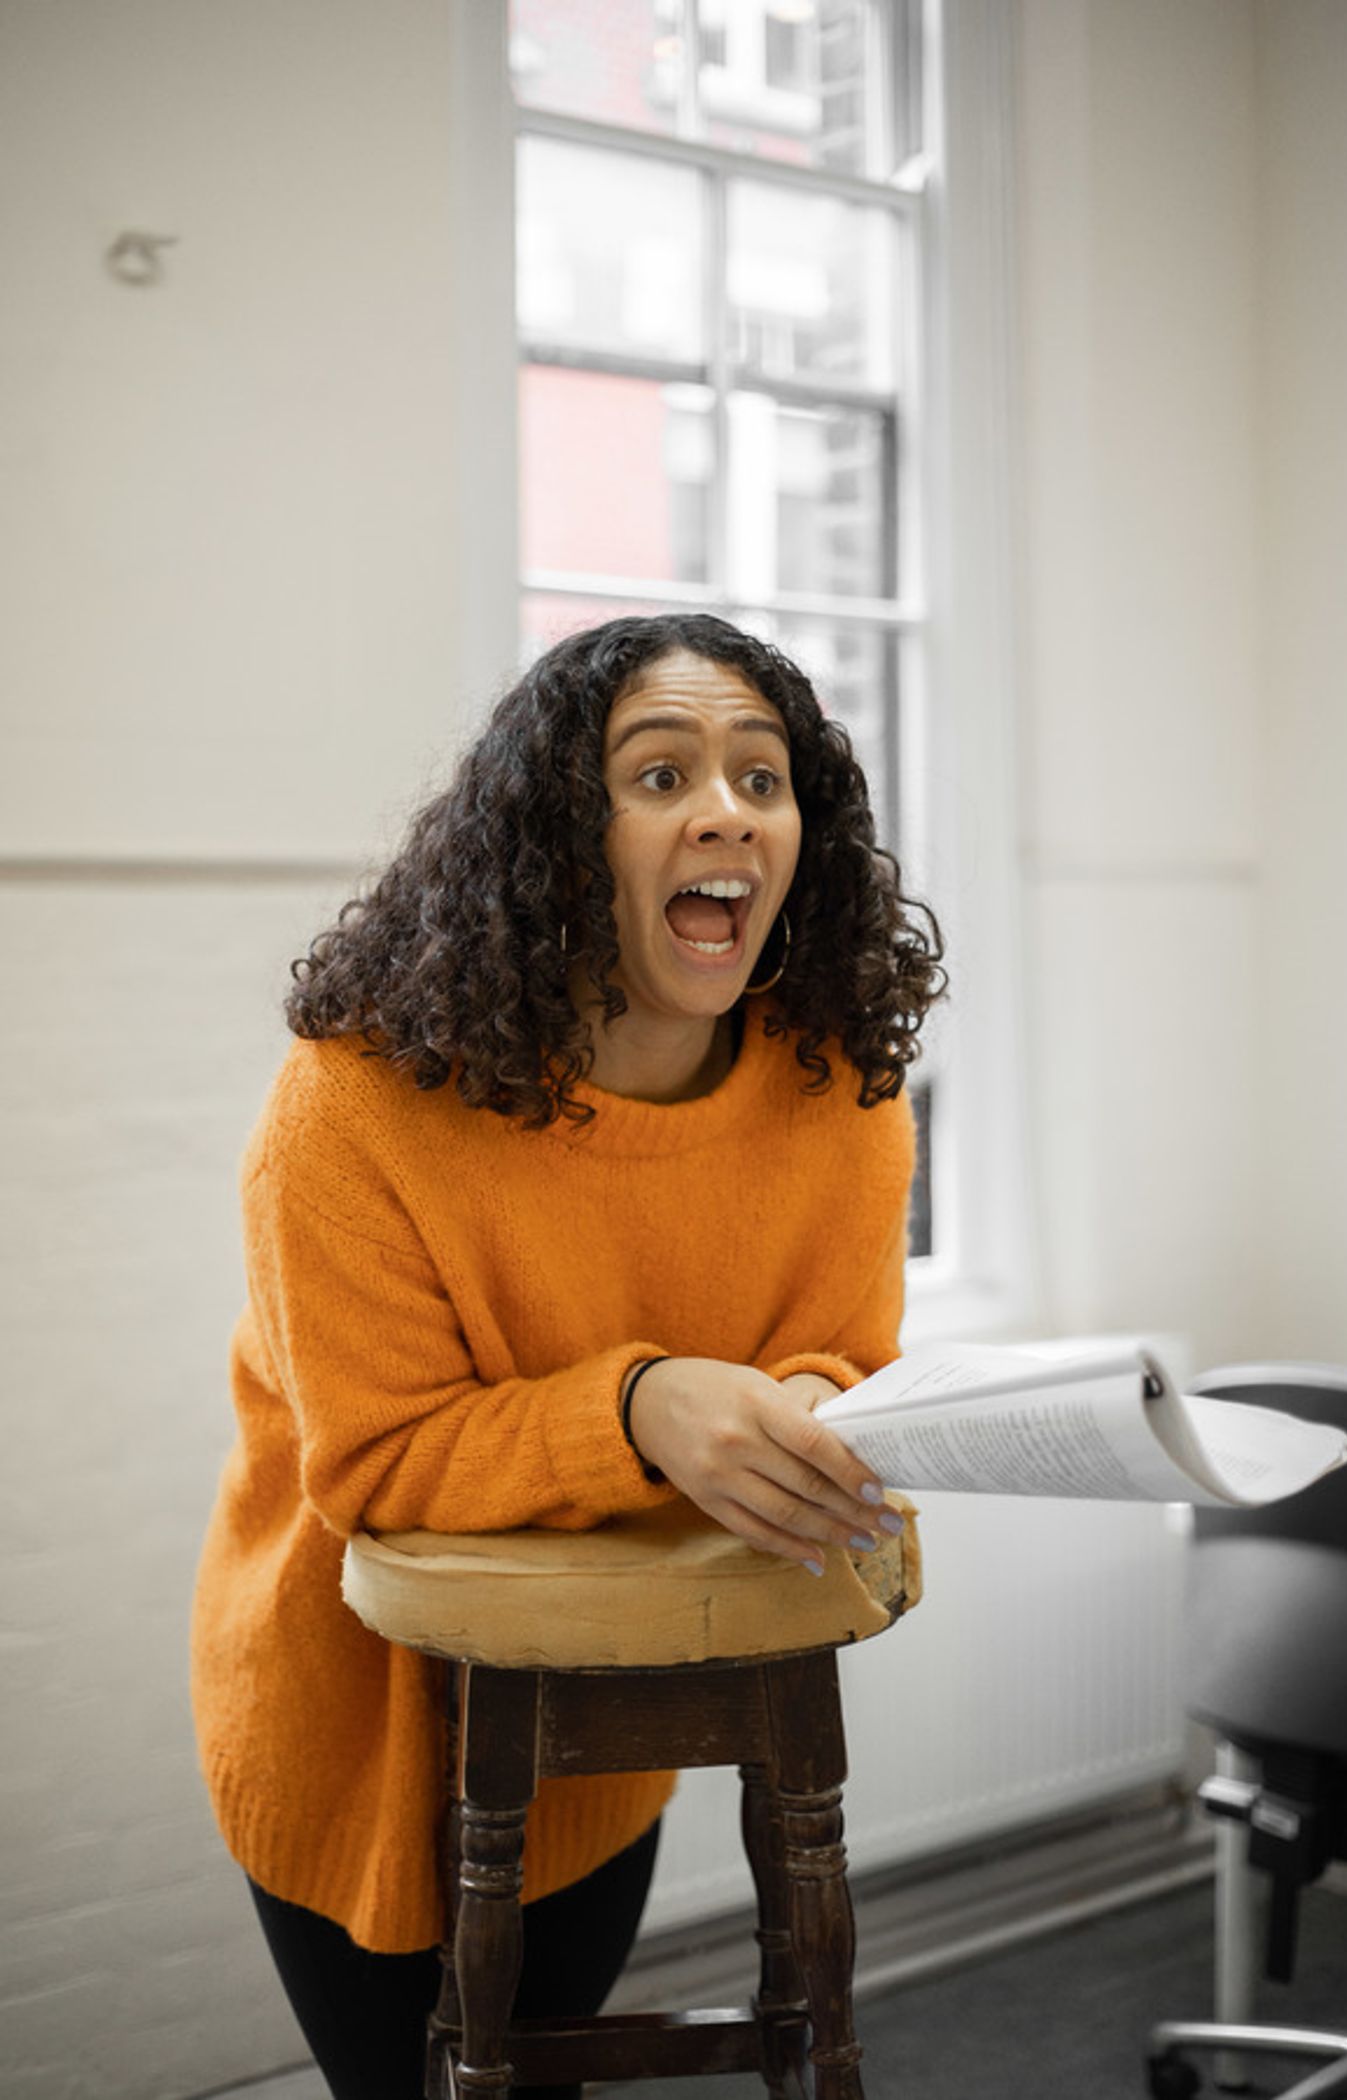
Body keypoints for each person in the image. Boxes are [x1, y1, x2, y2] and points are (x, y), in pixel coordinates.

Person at [191, 611, 946, 2100]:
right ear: (554, 837)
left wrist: (807, 1404)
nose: (725, 809)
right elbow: (377, 1461)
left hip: (607, 1682)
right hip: (351, 1710)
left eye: (762, 776)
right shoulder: (354, 1101)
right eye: (660, 775)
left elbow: (847, 1355)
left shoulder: (839, 1089)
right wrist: (644, 1405)